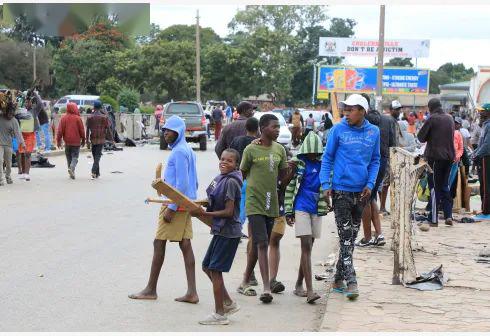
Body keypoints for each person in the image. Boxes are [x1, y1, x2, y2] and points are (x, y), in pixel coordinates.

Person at [129, 115, 199, 303]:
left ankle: (151, 289)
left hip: (177, 204)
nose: (165, 134)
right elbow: (195, 182)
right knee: (185, 245)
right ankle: (192, 292)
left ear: (179, 132)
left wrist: (172, 207)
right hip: (186, 204)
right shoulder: (187, 150)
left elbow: (183, 184)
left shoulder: (178, 152)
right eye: (164, 130)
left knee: (159, 243)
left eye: (169, 131)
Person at [320, 94, 380, 300]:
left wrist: (371, 184)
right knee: (346, 237)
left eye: (351, 109)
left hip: (362, 193)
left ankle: (338, 277)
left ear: (362, 111)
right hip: (341, 191)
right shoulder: (338, 129)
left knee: (351, 238)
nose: (346, 113)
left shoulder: (374, 132)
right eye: (345, 109)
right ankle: (351, 281)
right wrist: (326, 184)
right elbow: (327, 158)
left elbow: (375, 160)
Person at [238, 113, 288, 304]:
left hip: (271, 201)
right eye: (274, 127)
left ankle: (244, 280)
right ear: (263, 128)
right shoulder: (251, 150)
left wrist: (290, 171)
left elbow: (282, 179)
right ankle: (266, 287)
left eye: (278, 127)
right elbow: (241, 174)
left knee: (260, 242)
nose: (277, 130)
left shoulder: (280, 150)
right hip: (254, 201)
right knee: (262, 244)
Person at [191, 149, 242, 325]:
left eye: (229, 161)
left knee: (215, 270)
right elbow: (213, 198)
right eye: (222, 159)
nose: (224, 163)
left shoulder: (231, 182)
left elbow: (228, 212)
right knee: (207, 266)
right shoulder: (221, 179)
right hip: (221, 231)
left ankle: (220, 314)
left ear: (236, 165)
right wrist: (201, 204)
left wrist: (204, 214)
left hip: (229, 232)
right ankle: (227, 302)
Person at [284, 131, 328, 304]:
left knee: (309, 246)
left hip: (317, 207)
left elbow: (326, 186)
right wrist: (289, 211)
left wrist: (328, 200)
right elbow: (289, 187)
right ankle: (310, 291)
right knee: (306, 246)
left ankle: (298, 284)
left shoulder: (324, 164)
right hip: (301, 206)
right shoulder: (298, 164)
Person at [357, 94, 396, 247]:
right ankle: (378, 234)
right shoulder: (387, 120)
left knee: (365, 198)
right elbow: (393, 144)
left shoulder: (362, 122)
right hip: (382, 162)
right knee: (371, 197)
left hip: (367, 162)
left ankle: (367, 237)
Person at [417, 98, 455, 226]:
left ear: (430, 108)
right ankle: (448, 215)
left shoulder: (432, 119)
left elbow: (421, 137)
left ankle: (433, 219)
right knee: (444, 185)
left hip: (435, 157)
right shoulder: (450, 118)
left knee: (433, 187)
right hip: (449, 156)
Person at [230, 117, 259, 225]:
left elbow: (229, 155)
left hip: (236, 177)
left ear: (245, 127)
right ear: (258, 129)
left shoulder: (236, 140)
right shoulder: (258, 143)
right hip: (251, 179)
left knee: (238, 204)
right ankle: (239, 227)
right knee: (249, 207)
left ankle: (237, 226)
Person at [379, 100, 402, 215]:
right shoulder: (389, 120)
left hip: (392, 154)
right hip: (388, 154)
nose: (398, 111)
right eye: (396, 109)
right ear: (390, 109)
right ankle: (382, 207)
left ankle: (383, 207)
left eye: (398, 109)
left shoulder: (394, 121)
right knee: (385, 182)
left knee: (386, 182)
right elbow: (391, 140)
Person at [56, 102, 85, 180]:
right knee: (75, 157)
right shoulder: (78, 118)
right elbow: (82, 130)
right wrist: (84, 140)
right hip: (76, 142)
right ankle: (72, 168)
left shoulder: (63, 118)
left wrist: (58, 141)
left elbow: (59, 131)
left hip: (67, 142)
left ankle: (71, 171)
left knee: (68, 157)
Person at [86, 100, 112, 179]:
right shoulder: (104, 117)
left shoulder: (90, 117)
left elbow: (87, 129)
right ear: (101, 107)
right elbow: (108, 129)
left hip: (93, 139)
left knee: (95, 156)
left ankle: (96, 172)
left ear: (93, 107)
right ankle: (94, 171)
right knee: (97, 156)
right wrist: (112, 139)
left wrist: (87, 140)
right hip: (101, 139)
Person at [473, 104, 490, 218]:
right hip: (483, 156)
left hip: (486, 158)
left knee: (486, 185)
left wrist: (477, 154)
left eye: (482, 111)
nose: (479, 113)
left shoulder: (488, 126)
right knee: (484, 184)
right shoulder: (485, 125)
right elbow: (481, 143)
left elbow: (487, 145)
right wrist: (475, 153)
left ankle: (486, 210)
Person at [0, 109, 25, 185]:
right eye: (9, 112)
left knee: (8, 162)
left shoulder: (14, 121)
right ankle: (0, 179)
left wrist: (22, 143)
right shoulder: (0, 117)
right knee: (0, 160)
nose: (11, 115)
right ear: (5, 111)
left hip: (8, 144)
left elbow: (18, 133)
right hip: (0, 144)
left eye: (12, 113)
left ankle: (8, 176)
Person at [16, 99, 36, 181]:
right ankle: (23, 173)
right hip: (21, 134)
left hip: (30, 134)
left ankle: (27, 174)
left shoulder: (34, 111)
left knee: (27, 153)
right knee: (22, 154)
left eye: (29, 102)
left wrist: (34, 93)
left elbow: (40, 104)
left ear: (32, 103)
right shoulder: (21, 111)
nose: (27, 103)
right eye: (26, 102)